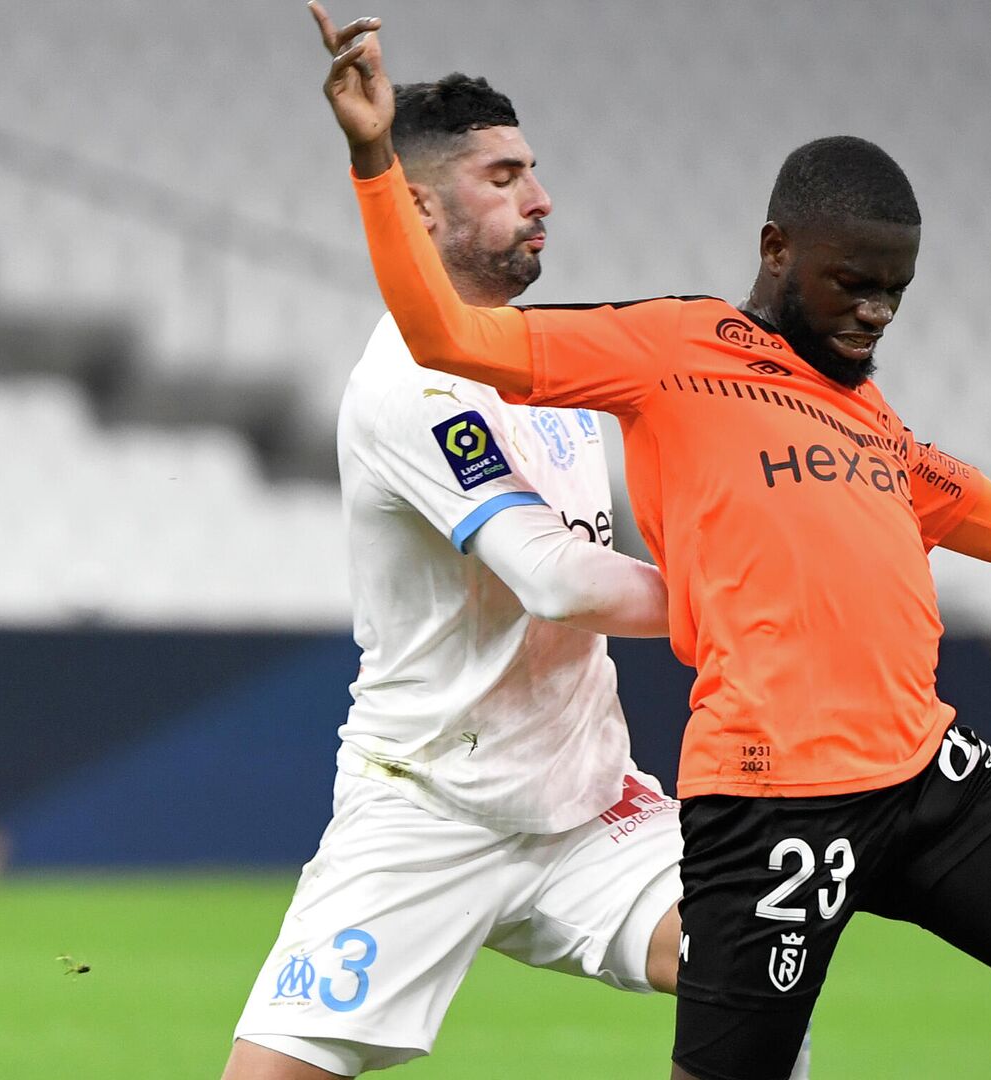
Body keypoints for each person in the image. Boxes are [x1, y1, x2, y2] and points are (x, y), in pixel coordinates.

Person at [310, 6, 991, 1079]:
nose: (875, 313)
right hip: (771, 795)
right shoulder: (666, 349)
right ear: (779, 251)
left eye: (893, 291)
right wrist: (374, 162)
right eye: (852, 282)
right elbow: (445, 336)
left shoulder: (868, 416)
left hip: (928, 769)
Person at [224, 68, 809, 1079]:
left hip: (585, 804)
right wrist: (742, 601)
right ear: (422, 205)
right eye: (504, 177)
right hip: (427, 809)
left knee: (756, 974)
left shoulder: (553, 357)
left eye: (534, 171)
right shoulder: (410, 386)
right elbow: (557, 579)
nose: (541, 199)